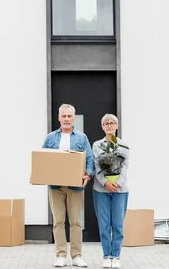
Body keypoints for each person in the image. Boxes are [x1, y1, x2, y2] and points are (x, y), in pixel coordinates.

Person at [41, 104, 94, 268]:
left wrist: (88, 174)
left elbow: (90, 159)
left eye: (69, 116)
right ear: (59, 118)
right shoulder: (50, 138)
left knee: (76, 222)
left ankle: (77, 256)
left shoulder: (81, 137)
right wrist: (37, 174)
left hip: (75, 186)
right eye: (63, 116)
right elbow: (41, 158)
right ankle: (61, 256)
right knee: (58, 221)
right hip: (55, 187)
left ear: (74, 118)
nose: (66, 119)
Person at [92, 114, 129, 269]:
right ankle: (107, 256)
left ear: (117, 126)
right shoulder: (97, 145)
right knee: (104, 224)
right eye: (106, 123)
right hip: (101, 190)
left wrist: (118, 183)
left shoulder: (124, 145)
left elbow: (125, 166)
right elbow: (96, 166)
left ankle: (116, 256)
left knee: (118, 224)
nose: (109, 125)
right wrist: (106, 183)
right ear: (102, 126)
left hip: (120, 190)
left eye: (112, 123)